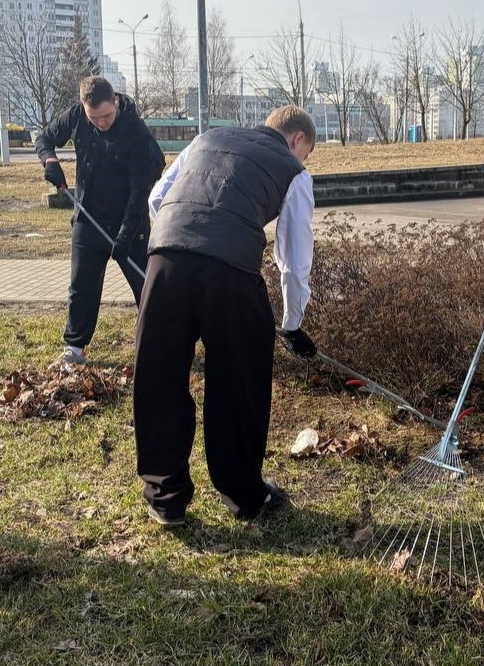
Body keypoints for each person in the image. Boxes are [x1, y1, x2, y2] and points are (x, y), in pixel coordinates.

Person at [133, 105, 318, 526]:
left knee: (158, 377)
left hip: (165, 263)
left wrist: (179, 239)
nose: (302, 159)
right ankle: (245, 495)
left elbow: (157, 197)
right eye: (306, 152)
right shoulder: (295, 171)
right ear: (297, 140)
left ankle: (165, 498)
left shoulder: (206, 139)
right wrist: (292, 324)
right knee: (239, 383)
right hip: (230, 273)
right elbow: (294, 260)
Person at [35, 76, 165, 365]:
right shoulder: (77, 116)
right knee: (81, 286)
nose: (101, 123)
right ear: (84, 107)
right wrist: (50, 161)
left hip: (129, 220)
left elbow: (140, 190)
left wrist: (126, 234)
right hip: (88, 217)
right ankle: (75, 348)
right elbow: (44, 138)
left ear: (115, 101)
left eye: (106, 115)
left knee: (146, 286)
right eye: (94, 118)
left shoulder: (135, 132)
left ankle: (162, 343)